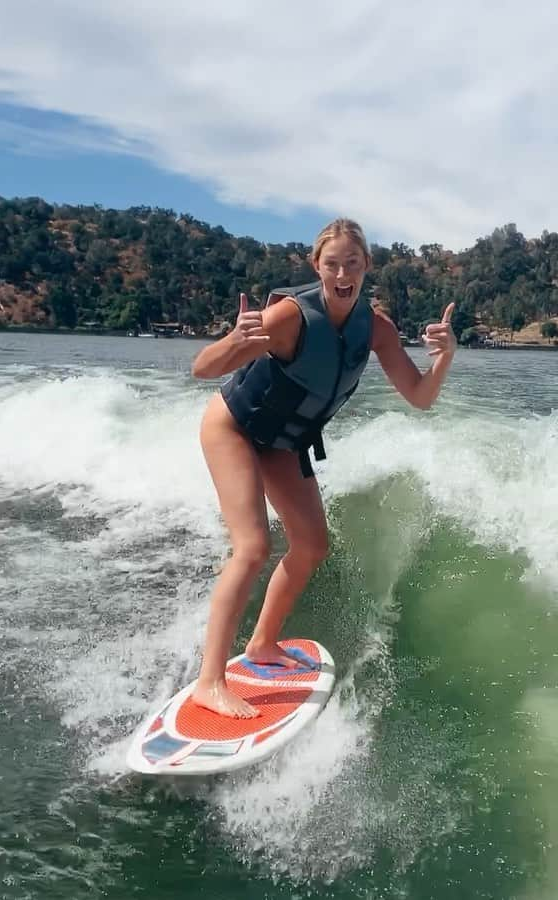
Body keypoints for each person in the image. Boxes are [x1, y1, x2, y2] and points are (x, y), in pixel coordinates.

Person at [190, 218, 456, 717]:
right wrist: (234, 339)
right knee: (252, 548)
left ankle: (263, 645)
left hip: (284, 442)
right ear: (317, 267)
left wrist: (443, 358)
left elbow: (420, 397)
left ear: (367, 267)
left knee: (312, 546)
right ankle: (210, 681)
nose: (342, 273)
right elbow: (202, 369)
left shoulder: (375, 329)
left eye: (352, 263)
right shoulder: (289, 316)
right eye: (331, 263)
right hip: (235, 428)